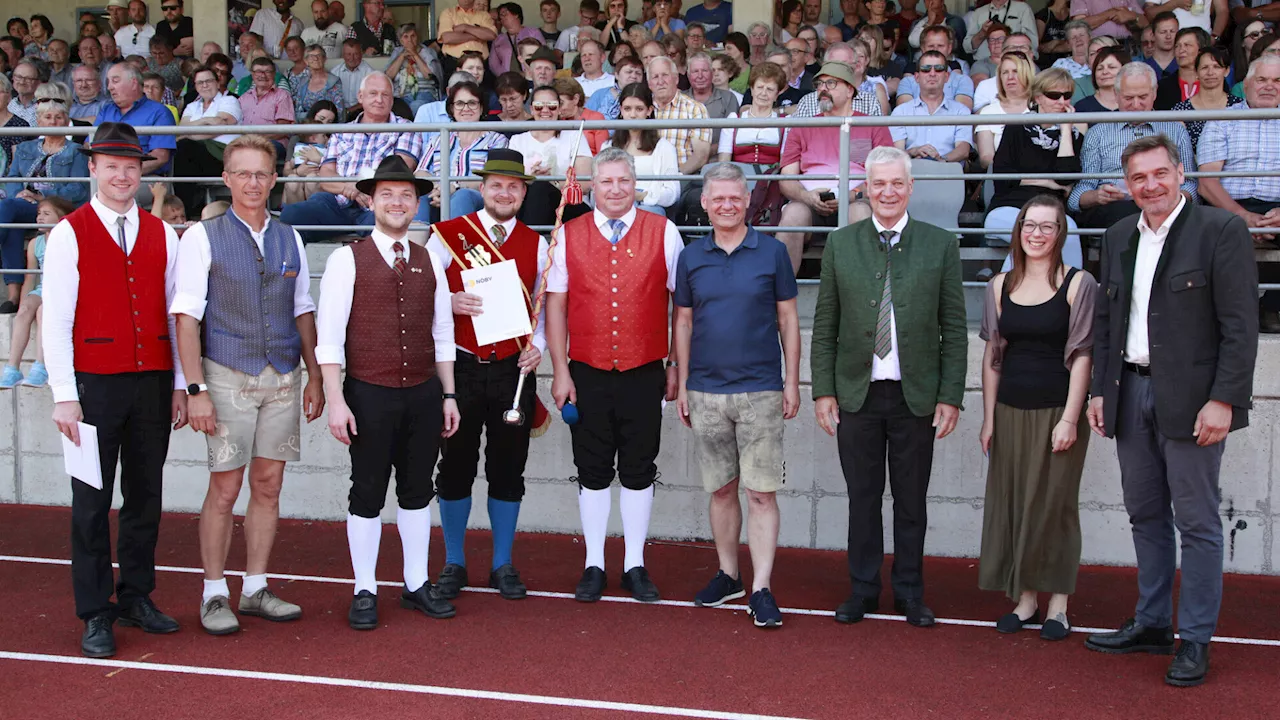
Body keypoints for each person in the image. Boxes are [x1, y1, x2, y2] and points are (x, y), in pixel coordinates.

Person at [1084, 134, 1258, 688]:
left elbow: (1240, 327)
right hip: (1130, 392)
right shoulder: (1117, 237)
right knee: (1145, 514)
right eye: (1138, 178)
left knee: (1199, 523)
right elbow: (1108, 325)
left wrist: (1224, 399)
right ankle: (1154, 622)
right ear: (1127, 183)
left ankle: (1196, 637)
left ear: (1180, 173)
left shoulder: (1220, 230)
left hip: (1194, 400)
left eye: (1160, 174)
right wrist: (1099, 393)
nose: (1150, 186)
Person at [43, 122, 189, 659]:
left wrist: (178, 384)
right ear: (93, 169)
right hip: (93, 386)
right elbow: (55, 321)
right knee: (90, 501)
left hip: (151, 382)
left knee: (145, 496)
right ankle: (95, 611)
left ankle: (136, 596)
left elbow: (176, 319)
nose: (122, 174)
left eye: (130, 165)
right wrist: (64, 393)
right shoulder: (68, 232)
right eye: (112, 165)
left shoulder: (163, 234)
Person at [169, 134, 322, 635]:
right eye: (243, 173)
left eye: (262, 173)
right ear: (227, 178)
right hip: (226, 373)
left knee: (269, 484)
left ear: (275, 178)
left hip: (282, 374)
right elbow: (186, 317)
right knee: (225, 486)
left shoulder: (290, 237)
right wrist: (195, 390)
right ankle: (215, 593)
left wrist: (315, 375)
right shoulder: (201, 236)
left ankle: (255, 587)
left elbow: (302, 310)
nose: (253, 182)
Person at [811, 145, 966, 629]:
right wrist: (822, 389)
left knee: (911, 501)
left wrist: (950, 395)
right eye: (879, 184)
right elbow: (825, 324)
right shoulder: (842, 243)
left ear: (911, 187)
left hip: (915, 396)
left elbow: (955, 328)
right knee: (862, 499)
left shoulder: (940, 245)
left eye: (897, 183)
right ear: (866, 188)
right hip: (856, 394)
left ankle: (910, 591)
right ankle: (862, 590)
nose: (888, 192)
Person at [316, 155, 460, 630]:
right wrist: (336, 400)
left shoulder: (430, 259)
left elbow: (442, 332)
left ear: (417, 203)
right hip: (369, 393)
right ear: (371, 201)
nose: (397, 203)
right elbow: (329, 338)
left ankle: (416, 583)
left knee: (419, 490)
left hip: (422, 392)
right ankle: (364, 588)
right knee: (368, 490)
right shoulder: (345, 258)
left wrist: (448, 395)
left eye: (406, 196)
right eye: (388, 195)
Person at [546, 147, 682, 604]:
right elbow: (557, 306)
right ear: (592, 188)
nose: (616, 189)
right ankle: (594, 563)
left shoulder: (665, 232)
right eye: (606, 182)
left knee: (640, 469)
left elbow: (681, 307)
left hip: (645, 371)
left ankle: (635, 563)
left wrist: (676, 364)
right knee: (592, 470)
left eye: (624, 181)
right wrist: (560, 371)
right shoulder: (568, 235)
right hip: (587, 371)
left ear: (635, 183)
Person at [675, 163, 799, 628]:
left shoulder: (771, 253)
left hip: (761, 390)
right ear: (704, 203)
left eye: (735, 197)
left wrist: (791, 382)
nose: (726, 204)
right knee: (722, 488)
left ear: (747, 200)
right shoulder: (691, 257)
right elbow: (683, 323)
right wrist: (685, 382)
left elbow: (788, 320)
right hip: (705, 391)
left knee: (761, 493)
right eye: (717, 198)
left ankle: (762, 587)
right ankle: (729, 576)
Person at [425, 149, 547, 601]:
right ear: (482, 187)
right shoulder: (448, 236)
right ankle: (454, 561)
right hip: (459, 368)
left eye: (513, 186)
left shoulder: (538, 244)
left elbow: (544, 309)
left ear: (523, 192)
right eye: (496, 184)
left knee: (508, 468)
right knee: (455, 464)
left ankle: (502, 563)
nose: (504, 192)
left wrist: (541, 348)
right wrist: (449, 301)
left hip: (513, 369)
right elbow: (420, 292)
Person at [978, 194, 1096, 641]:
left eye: (1048, 226)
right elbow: (992, 357)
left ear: (1061, 233)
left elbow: (1083, 355)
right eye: (1030, 225)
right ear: (1019, 230)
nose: (1038, 234)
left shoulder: (1079, 282)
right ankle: (1025, 599)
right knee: (1014, 504)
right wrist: (989, 419)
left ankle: (1058, 606)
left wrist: (1070, 418)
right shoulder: (999, 285)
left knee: (1054, 507)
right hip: (1009, 409)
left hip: (1057, 412)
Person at [777, 61, 893, 271]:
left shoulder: (872, 124)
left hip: (857, 201)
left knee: (860, 215)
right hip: (809, 203)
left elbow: (887, 176)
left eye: (831, 83)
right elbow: (786, 178)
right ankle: (781, 297)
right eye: (819, 84)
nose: (822, 89)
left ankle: (862, 297)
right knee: (792, 215)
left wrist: (852, 195)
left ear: (850, 90)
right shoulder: (803, 126)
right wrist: (806, 196)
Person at [279, 73, 423, 242]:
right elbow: (326, 174)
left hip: (377, 206)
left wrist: (362, 187)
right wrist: (350, 188)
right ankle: (293, 268)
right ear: (360, 97)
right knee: (291, 215)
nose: (379, 99)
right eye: (373, 93)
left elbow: (399, 171)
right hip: (337, 202)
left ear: (392, 100)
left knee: (391, 226)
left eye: (385, 95)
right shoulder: (342, 131)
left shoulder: (406, 129)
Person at [1197, 55, 1280, 328]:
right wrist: (1243, 216)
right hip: (1228, 206)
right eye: (1262, 79)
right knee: (1215, 232)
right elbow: (1207, 184)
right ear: (1246, 85)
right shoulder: (1222, 120)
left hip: (1277, 207)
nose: (1270, 86)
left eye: (1278, 80)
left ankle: (1271, 307)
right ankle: (1231, 316)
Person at [1068, 62, 1198, 228]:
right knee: (1124, 215)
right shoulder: (1098, 132)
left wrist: (1171, 198)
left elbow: (1190, 184)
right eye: (1128, 98)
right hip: (1116, 210)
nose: (1136, 105)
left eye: (1143, 97)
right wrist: (1097, 196)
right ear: (1116, 94)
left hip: (1165, 205)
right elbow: (1078, 196)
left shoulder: (1175, 130)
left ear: (1154, 93)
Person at [984, 68, 1087, 268]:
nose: (1062, 101)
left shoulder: (1073, 137)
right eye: (1054, 95)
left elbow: (1065, 178)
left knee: (1068, 233)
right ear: (1038, 97)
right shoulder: (1016, 128)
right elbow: (1003, 177)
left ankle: (1074, 294)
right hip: (1009, 208)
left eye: (1067, 96)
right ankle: (1011, 295)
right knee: (1034, 232)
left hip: (1051, 212)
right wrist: (1048, 182)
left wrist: (1066, 129)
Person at [0, 91, 90, 313]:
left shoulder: (76, 152)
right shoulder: (25, 148)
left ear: (66, 121)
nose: (53, 122)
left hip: (58, 209)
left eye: (59, 117)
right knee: (11, 223)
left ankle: (14, 295)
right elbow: (12, 178)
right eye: (48, 117)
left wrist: (42, 198)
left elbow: (78, 189)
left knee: (7, 210)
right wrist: (19, 194)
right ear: (38, 121)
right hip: (23, 205)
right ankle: (13, 296)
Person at [416, 80, 510, 224]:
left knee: (462, 196)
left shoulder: (496, 140)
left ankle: (455, 246)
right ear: (452, 109)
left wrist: (455, 186)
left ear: (481, 107)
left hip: (476, 201)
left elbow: (493, 179)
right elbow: (421, 172)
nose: (466, 108)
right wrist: (439, 187)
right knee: (418, 194)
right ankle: (416, 245)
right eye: (460, 103)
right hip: (437, 196)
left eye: (472, 103)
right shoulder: (439, 139)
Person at [0, 195, 68, 389]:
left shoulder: (68, 239)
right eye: (39, 213)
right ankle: (12, 368)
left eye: (46, 214)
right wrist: (24, 304)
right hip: (43, 288)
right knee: (26, 310)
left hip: (60, 289)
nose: (40, 218)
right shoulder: (35, 243)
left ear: (61, 218)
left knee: (43, 311)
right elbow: (30, 277)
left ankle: (40, 366)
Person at [173, 65, 241, 221]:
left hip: (223, 156)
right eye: (200, 83)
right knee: (181, 149)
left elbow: (220, 126)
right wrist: (206, 121)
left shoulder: (228, 101)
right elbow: (181, 130)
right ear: (195, 86)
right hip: (197, 156)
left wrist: (191, 132)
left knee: (185, 146)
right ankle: (185, 211)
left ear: (217, 83)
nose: (204, 85)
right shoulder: (191, 106)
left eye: (208, 81)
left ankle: (187, 212)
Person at [605, 83, 680, 215]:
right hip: (616, 205)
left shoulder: (664, 147)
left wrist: (643, 196)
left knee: (647, 213)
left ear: (649, 111)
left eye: (639, 109)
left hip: (649, 207)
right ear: (621, 111)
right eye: (627, 109)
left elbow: (672, 192)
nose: (632, 115)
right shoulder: (607, 146)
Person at [98, 63, 177, 186]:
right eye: (108, 82)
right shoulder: (106, 110)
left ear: (134, 83)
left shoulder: (159, 112)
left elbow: (160, 157)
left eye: (115, 81)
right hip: (104, 177)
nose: (109, 87)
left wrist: (124, 174)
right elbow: (89, 144)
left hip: (146, 178)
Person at [890, 50, 974, 164]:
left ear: (946, 76)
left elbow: (963, 150)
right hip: (910, 172)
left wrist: (941, 160)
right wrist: (913, 151)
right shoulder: (900, 111)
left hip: (948, 173)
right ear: (917, 77)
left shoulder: (961, 111)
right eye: (926, 69)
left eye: (938, 69)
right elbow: (896, 153)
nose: (932, 73)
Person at [717, 61, 785, 175]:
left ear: (776, 95)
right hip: (738, 179)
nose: (763, 93)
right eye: (760, 87)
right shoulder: (734, 120)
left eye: (770, 89)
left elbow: (785, 164)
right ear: (752, 90)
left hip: (771, 181)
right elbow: (724, 161)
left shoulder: (785, 123)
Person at [1172, 46, 1243, 153]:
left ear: (1226, 71)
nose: (1210, 73)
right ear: (1196, 73)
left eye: (1216, 67)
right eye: (1204, 67)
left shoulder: (1240, 106)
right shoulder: (1181, 110)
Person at [648, 56, 711, 174]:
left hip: (683, 179)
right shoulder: (643, 109)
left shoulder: (695, 109)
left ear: (676, 79)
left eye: (665, 75)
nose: (660, 81)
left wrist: (675, 177)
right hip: (647, 179)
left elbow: (701, 155)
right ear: (649, 84)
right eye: (655, 77)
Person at [975, 52, 1033, 166]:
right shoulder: (988, 112)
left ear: (1026, 74)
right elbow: (986, 158)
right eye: (1005, 72)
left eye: (1015, 71)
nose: (1010, 77)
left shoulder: (1041, 107)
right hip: (1002, 177)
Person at [896, 25, 975, 109]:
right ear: (922, 48)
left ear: (949, 48)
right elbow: (905, 116)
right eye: (931, 46)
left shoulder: (962, 81)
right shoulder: (907, 82)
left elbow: (962, 115)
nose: (935, 50)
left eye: (940, 46)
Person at [239, 56, 296, 160]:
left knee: (255, 151)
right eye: (258, 71)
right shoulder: (243, 98)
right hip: (246, 143)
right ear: (252, 74)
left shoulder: (282, 96)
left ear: (274, 74)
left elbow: (283, 130)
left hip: (273, 144)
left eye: (267, 71)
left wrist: (256, 140)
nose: (262, 75)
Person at [283, 101, 337, 205]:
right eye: (321, 119)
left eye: (329, 122)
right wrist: (298, 172)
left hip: (319, 178)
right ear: (313, 115)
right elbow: (286, 171)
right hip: (298, 179)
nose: (324, 124)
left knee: (312, 180)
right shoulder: (296, 139)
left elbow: (338, 170)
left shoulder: (332, 140)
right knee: (292, 180)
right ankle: (295, 217)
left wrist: (319, 160)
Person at [386, 23, 444, 114]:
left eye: (413, 36)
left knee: (416, 106)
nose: (410, 40)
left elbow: (430, 76)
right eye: (406, 37)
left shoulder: (428, 52)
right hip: (401, 96)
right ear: (401, 40)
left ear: (417, 38)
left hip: (425, 94)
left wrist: (415, 54)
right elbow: (388, 77)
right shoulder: (397, 53)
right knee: (395, 110)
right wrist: (402, 56)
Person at [686, 52, 740, 147]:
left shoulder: (728, 98)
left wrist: (704, 154)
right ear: (688, 75)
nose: (700, 76)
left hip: (717, 159)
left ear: (712, 73)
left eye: (704, 71)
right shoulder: (679, 98)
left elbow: (732, 136)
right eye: (695, 71)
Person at [1154, 26, 1210, 109]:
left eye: (1187, 45)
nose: (1181, 50)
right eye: (1177, 46)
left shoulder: (1213, 82)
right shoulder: (1163, 87)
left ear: (1200, 51)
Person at [965, 0, 1039, 62]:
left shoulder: (1023, 9)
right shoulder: (978, 12)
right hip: (984, 63)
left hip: (1015, 63)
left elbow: (1033, 44)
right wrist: (982, 32)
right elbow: (967, 48)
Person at [554, 76, 610, 154]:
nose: (557, 108)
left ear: (575, 99)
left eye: (561, 103)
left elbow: (604, 155)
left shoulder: (596, 118)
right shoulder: (556, 120)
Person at [291, 44, 346, 121]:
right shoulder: (302, 83)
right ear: (306, 61)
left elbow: (339, 111)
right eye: (311, 56)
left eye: (319, 55)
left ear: (325, 59)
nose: (316, 59)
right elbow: (298, 111)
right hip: (306, 128)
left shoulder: (334, 81)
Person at [439, 0, 498, 68]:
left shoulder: (484, 15)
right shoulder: (448, 12)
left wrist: (465, 27)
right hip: (454, 63)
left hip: (480, 63)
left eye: (485, 5)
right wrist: (478, 35)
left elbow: (492, 35)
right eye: (479, 4)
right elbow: (447, 38)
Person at [1074, 45, 1128, 111]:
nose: (1105, 72)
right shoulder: (1082, 107)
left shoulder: (1134, 105)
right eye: (1100, 69)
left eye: (1111, 67)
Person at [333, 39, 375, 118]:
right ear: (343, 55)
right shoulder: (335, 73)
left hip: (363, 112)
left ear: (361, 54)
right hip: (339, 112)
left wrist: (350, 111)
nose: (352, 58)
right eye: (348, 54)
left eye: (356, 54)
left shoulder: (370, 73)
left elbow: (372, 99)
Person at [1070, 0, 1146, 39]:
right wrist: (1109, 13)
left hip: (1128, 46)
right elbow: (1077, 26)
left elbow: (1146, 23)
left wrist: (1132, 16)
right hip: (1099, 48)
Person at [8, 58, 40, 125]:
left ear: (38, 82)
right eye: (18, 77)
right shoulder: (8, 106)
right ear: (13, 78)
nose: (22, 82)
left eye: (28, 79)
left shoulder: (45, 106)